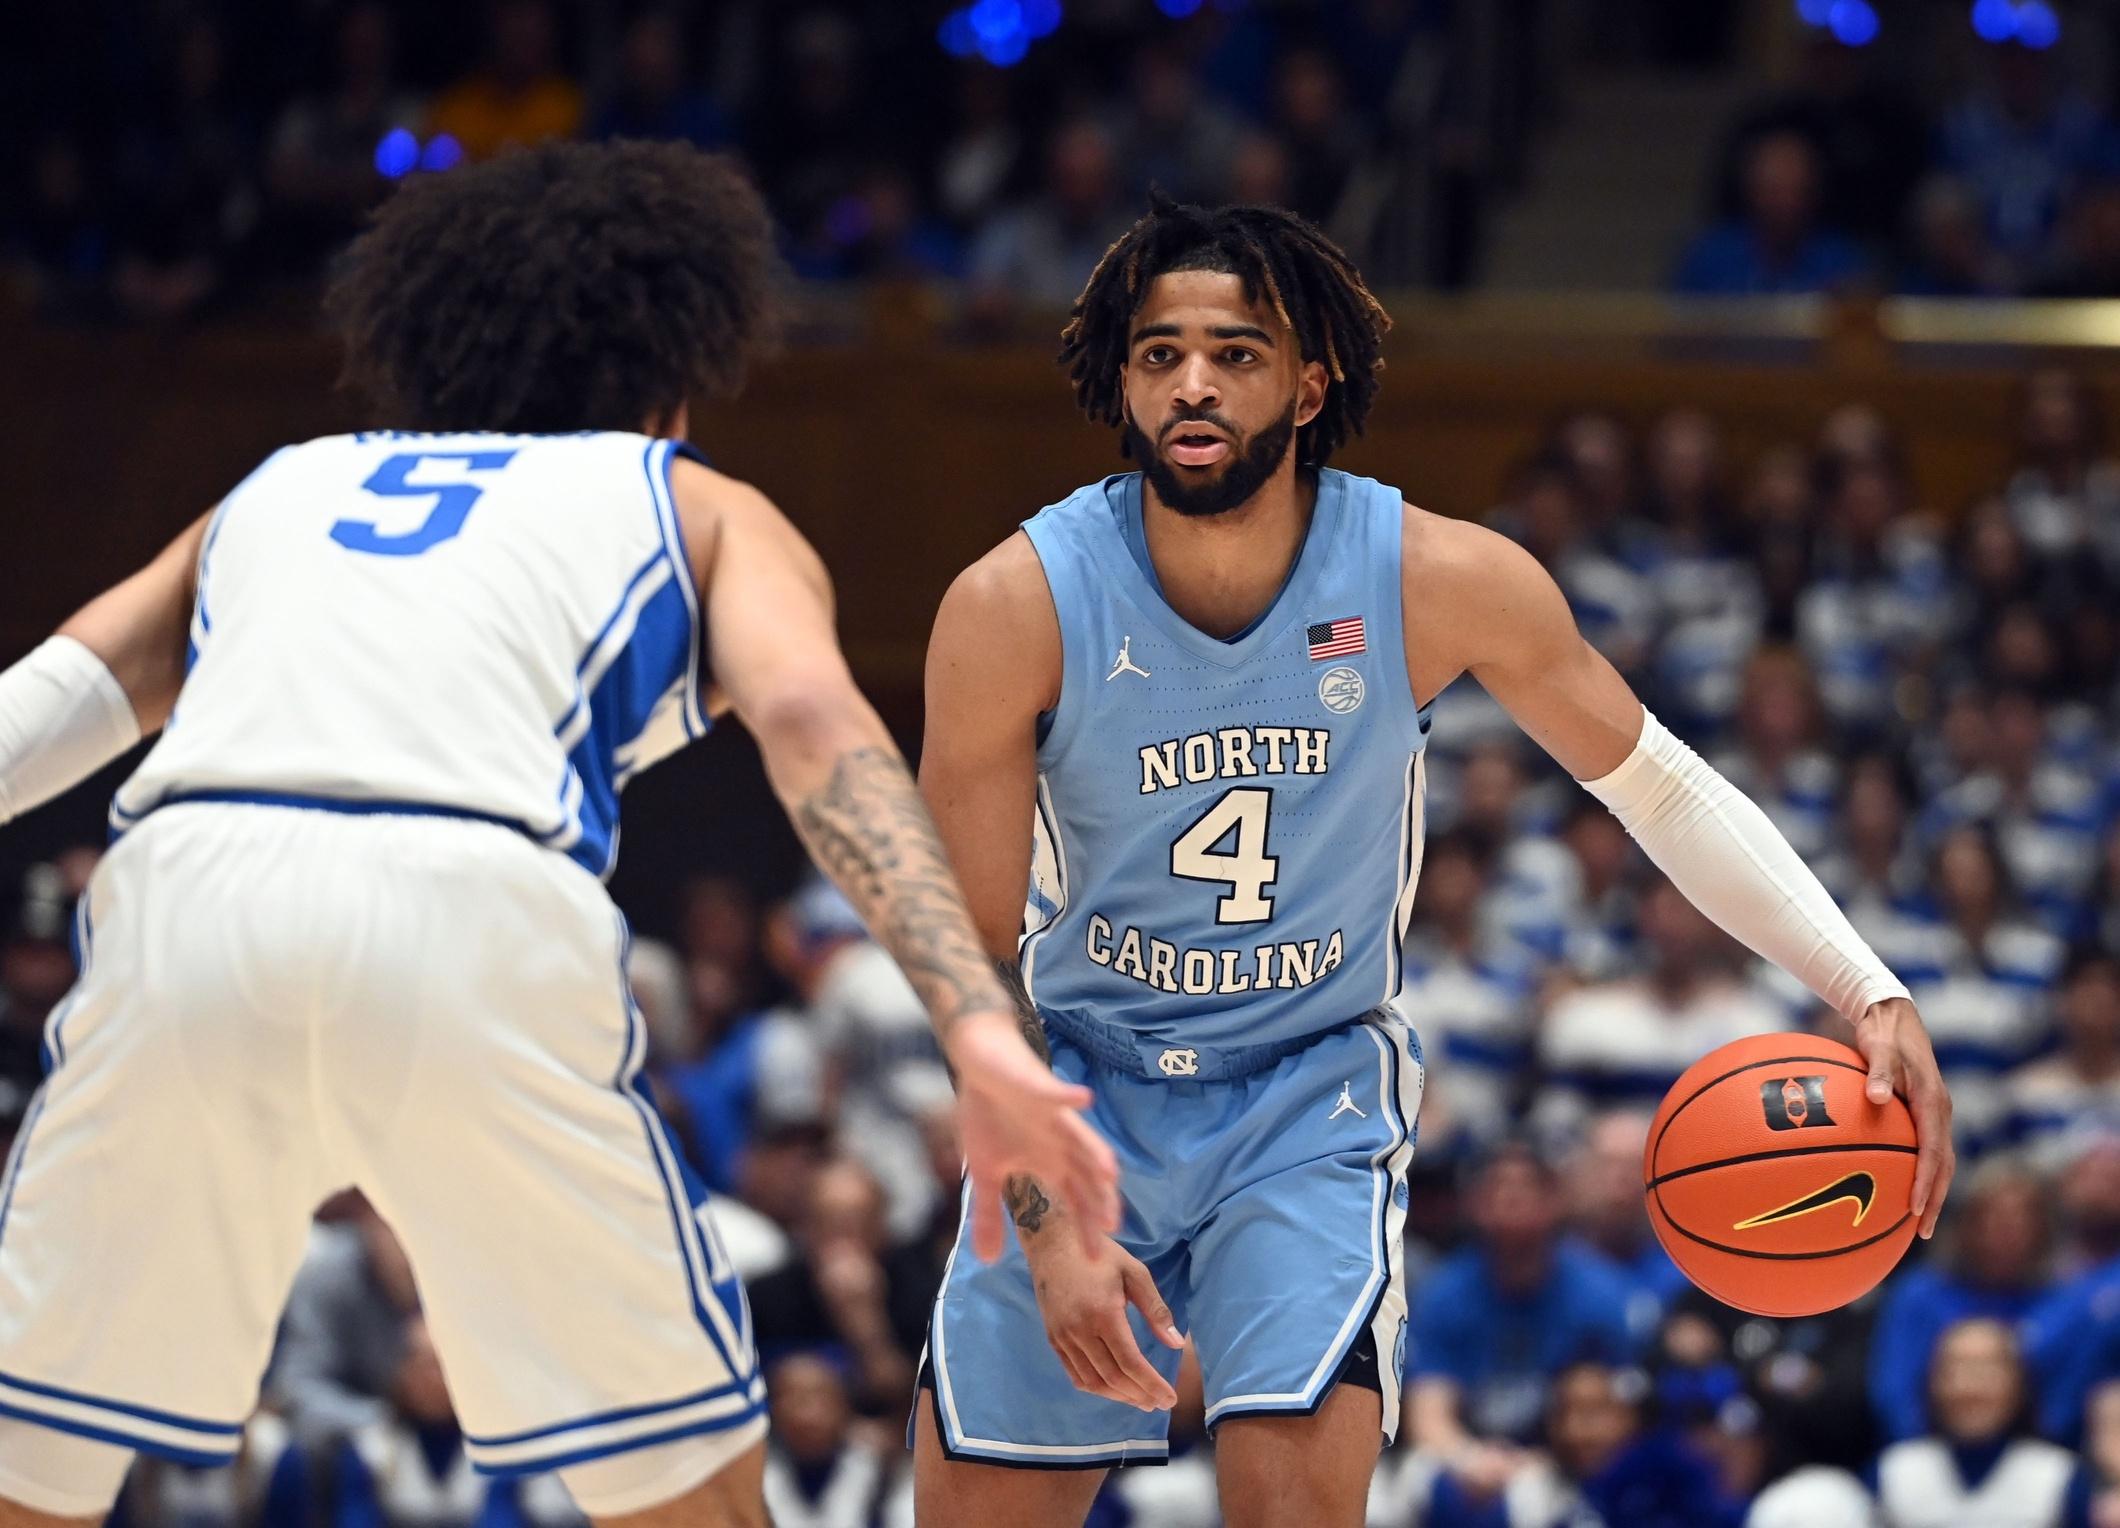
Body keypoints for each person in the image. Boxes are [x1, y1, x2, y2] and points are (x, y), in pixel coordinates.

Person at [0, 140, 1117, 1527]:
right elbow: (821, 733)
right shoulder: (692, 500)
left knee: (24, 1470)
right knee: (685, 1490)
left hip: (183, 900)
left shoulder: (282, 487)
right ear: (675, 379)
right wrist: (978, 1031)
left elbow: (39, 712)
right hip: (470, 901)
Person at [911, 193, 1952, 1528]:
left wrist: (1865, 986)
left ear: (1310, 378)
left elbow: (1664, 789)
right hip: (1070, 1087)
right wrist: (1048, 1223)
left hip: (1307, 1097)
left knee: (1295, 1496)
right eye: (1160, 352)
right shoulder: (1012, 605)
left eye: (1236, 353)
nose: (1192, 384)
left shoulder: (1434, 577)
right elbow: (963, 965)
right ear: (1120, 376)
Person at [1873, 1317, 2079, 1528]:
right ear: (1931, 1382)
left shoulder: (2060, 1476)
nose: (1970, 1388)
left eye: (1987, 1370)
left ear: (2020, 1382)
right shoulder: (1893, 1472)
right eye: (1955, 1370)